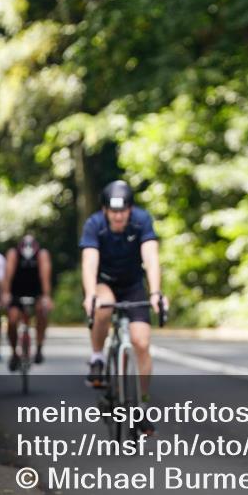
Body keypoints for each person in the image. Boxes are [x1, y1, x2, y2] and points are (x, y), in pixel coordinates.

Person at [80, 180, 168, 433]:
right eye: (113, 211)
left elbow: (151, 258)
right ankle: (97, 357)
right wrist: (90, 295)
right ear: (105, 210)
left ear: (130, 209)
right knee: (103, 307)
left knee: (141, 342)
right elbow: (89, 261)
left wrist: (155, 293)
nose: (118, 216)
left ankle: (140, 404)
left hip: (132, 284)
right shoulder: (94, 224)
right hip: (104, 282)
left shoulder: (141, 220)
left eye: (123, 211)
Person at [2, 234, 53, 369]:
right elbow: (8, 274)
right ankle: (14, 353)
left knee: (42, 311)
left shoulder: (42, 254)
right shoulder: (13, 254)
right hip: (16, 292)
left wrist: (46, 296)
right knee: (12, 320)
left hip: (36, 291)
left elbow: (45, 276)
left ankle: (39, 348)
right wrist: (6, 294)